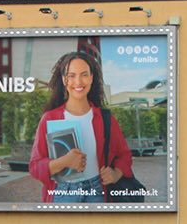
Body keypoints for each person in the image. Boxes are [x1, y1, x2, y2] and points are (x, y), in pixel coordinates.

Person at [29, 51, 133, 203]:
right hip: (63, 193)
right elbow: (35, 167)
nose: (78, 81)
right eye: (71, 76)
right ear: (64, 80)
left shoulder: (105, 119)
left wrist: (116, 173)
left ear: (91, 78)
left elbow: (124, 155)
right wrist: (65, 162)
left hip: (98, 192)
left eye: (84, 75)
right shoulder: (49, 119)